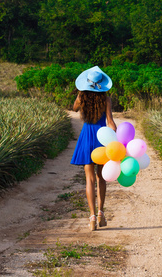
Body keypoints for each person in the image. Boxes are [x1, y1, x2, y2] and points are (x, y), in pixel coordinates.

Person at [70, 66, 117, 231]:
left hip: (86, 136)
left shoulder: (81, 98)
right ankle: (100, 214)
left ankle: (91, 219)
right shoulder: (106, 100)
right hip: (101, 137)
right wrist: (115, 138)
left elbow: (74, 109)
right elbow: (110, 122)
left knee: (89, 179)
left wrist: (80, 96)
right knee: (101, 178)